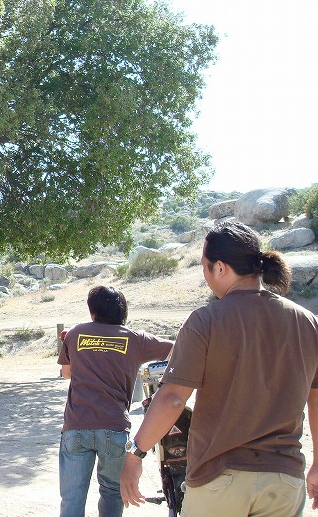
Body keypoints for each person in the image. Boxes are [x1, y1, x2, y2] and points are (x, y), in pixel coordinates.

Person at [120, 221, 318, 516]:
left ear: (221, 268)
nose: (205, 275)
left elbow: (173, 398)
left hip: (219, 479)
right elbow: (315, 398)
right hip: (284, 481)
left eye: (205, 266)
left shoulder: (205, 321)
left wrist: (136, 454)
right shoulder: (307, 322)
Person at [57, 285, 173, 517]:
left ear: (92, 311)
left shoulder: (75, 333)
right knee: (111, 492)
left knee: (72, 498)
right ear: (122, 312)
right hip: (114, 427)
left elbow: (67, 373)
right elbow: (176, 350)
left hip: (76, 426)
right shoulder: (135, 338)